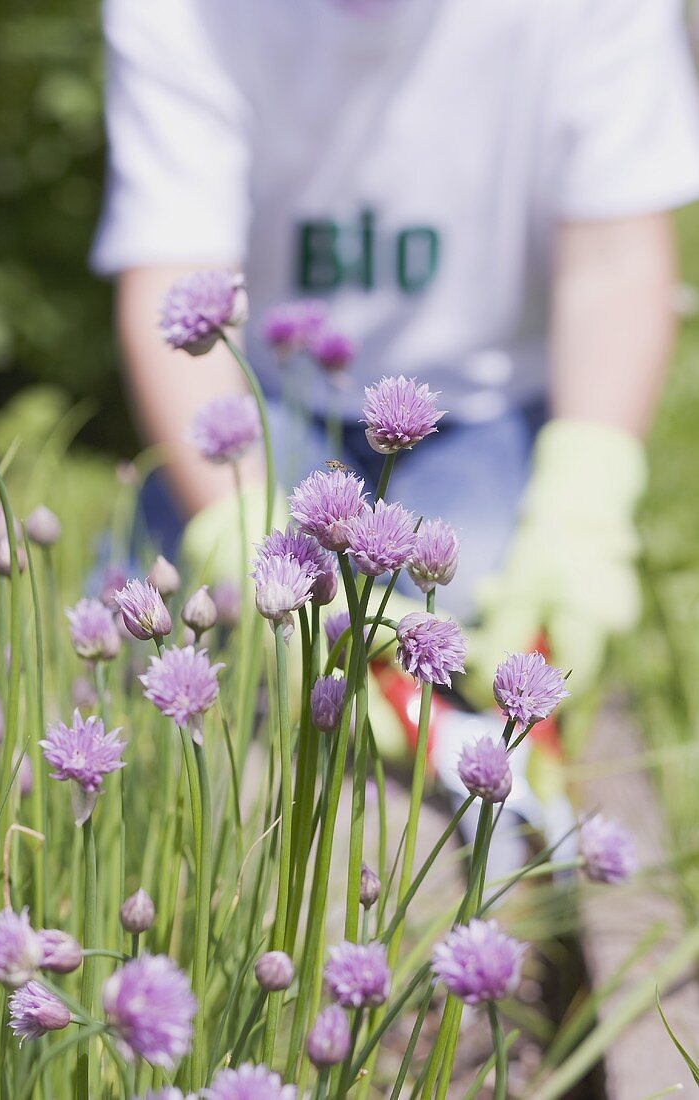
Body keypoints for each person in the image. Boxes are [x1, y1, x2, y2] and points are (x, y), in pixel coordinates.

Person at [91, 0, 699, 708]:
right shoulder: (189, 15)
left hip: (488, 402)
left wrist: (584, 503)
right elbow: (172, 275)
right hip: (266, 398)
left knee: (464, 598)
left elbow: (615, 260)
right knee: (150, 607)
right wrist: (239, 534)